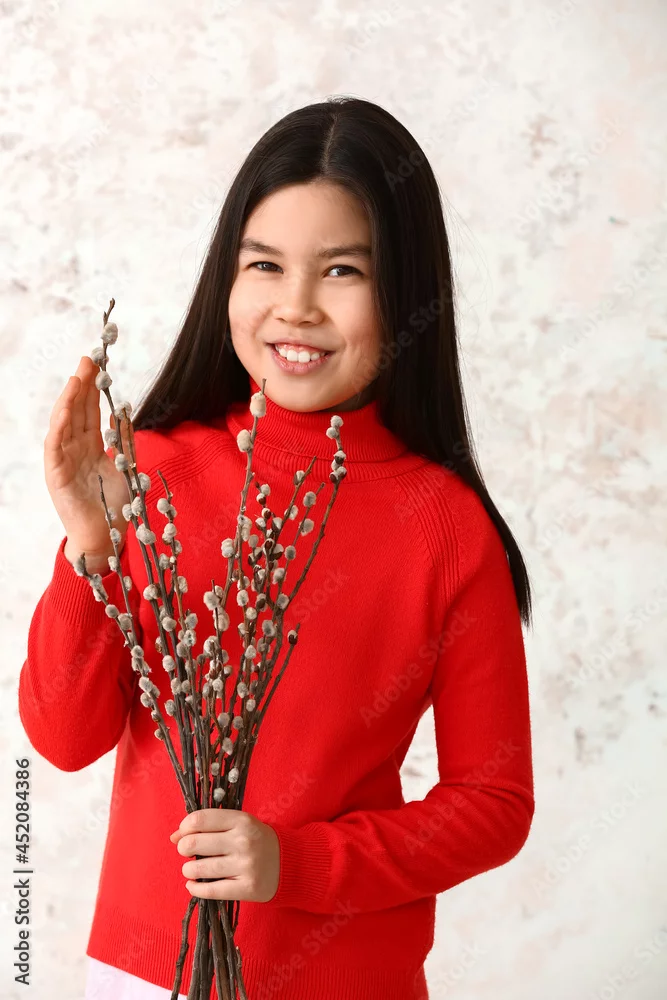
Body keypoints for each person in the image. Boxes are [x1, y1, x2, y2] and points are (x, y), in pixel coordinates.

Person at [18, 96, 535, 1000]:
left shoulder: (447, 529)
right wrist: (89, 549)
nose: (294, 308)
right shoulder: (152, 472)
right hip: (141, 973)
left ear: (406, 290)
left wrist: (297, 864)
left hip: (345, 982)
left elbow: (492, 805)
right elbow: (62, 738)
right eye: (264, 264)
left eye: (342, 271)